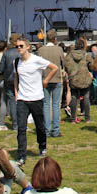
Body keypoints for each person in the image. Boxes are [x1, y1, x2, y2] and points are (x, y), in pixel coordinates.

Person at [14, 36, 58, 166]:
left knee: (40, 126)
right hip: (22, 99)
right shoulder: (16, 62)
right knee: (21, 128)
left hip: (36, 98)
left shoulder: (36, 60)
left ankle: (42, 146)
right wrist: (16, 93)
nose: (18, 49)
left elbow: (54, 67)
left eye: (21, 46)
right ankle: (21, 155)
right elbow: (16, 77)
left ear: (28, 47)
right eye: (17, 46)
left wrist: (46, 80)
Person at [38, 30, 66, 138]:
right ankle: (55, 130)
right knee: (55, 105)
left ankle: (47, 130)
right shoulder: (59, 49)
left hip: (44, 79)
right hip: (56, 79)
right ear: (55, 39)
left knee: (45, 104)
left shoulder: (40, 50)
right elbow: (63, 62)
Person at [65, 38, 93, 123]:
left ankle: (73, 119)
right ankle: (87, 118)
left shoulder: (69, 55)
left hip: (74, 79)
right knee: (86, 98)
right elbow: (92, 65)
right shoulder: (86, 55)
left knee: (74, 97)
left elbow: (66, 65)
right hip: (85, 79)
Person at [0, 34, 21, 129]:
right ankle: (20, 122)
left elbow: (1, 68)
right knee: (21, 101)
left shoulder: (6, 53)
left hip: (9, 79)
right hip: (20, 79)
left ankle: (15, 124)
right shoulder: (21, 52)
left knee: (12, 101)